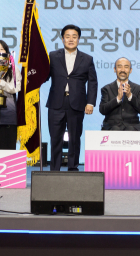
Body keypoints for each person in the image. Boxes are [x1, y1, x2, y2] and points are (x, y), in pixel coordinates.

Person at [46, 24, 98, 171]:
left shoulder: (87, 59)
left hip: (77, 103)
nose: (71, 39)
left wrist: (90, 103)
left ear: (79, 39)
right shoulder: (53, 56)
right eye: (67, 36)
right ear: (62, 39)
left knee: (74, 138)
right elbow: (45, 76)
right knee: (55, 138)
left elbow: (93, 82)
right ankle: (54, 169)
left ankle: (73, 168)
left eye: (74, 37)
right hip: (56, 103)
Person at [99, 57, 140, 131]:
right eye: (119, 67)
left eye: (126, 67)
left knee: (130, 129)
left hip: (132, 127)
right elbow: (102, 110)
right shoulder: (106, 89)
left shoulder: (138, 89)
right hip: (111, 127)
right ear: (114, 69)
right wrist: (117, 99)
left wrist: (130, 96)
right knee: (115, 129)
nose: (123, 70)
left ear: (130, 70)